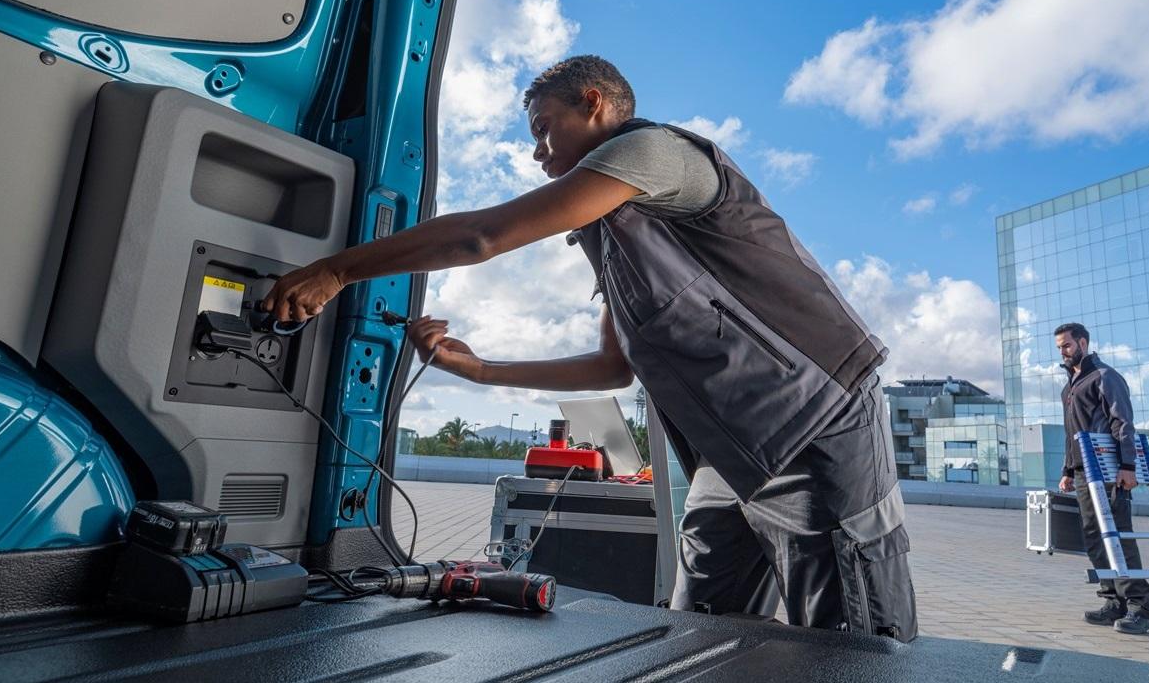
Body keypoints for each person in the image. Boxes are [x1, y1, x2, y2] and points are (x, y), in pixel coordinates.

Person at [263, 55, 918, 640]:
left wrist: (339, 270)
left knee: (851, 637)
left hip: (816, 420)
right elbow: (612, 365)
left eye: (544, 128)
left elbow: (484, 235)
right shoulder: (614, 238)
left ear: (594, 104)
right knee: (704, 625)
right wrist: (477, 368)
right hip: (728, 448)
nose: (538, 152)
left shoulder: (654, 151)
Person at [1054, 321, 1149, 634]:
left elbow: (1123, 423)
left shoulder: (1105, 377)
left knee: (1119, 537)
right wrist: (1067, 470)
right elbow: (1071, 433)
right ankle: (1115, 602)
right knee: (1094, 538)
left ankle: (1144, 609)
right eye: (1059, 347)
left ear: (1083, 343)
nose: (1063, 352)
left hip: (1110, 470)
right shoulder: (1069, 387)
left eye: (1067, 345)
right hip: (1084, 472)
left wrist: (1128, 465)